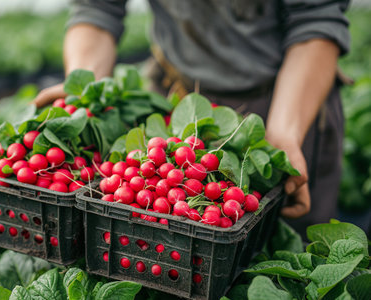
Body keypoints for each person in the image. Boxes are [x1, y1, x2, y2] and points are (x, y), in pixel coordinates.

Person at [33, 0, 350, 237]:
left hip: (288, 99)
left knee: (285, 244)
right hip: (176, 93)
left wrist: (285, 134)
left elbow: (316, 20)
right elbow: (97, 9)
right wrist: (85, 93)